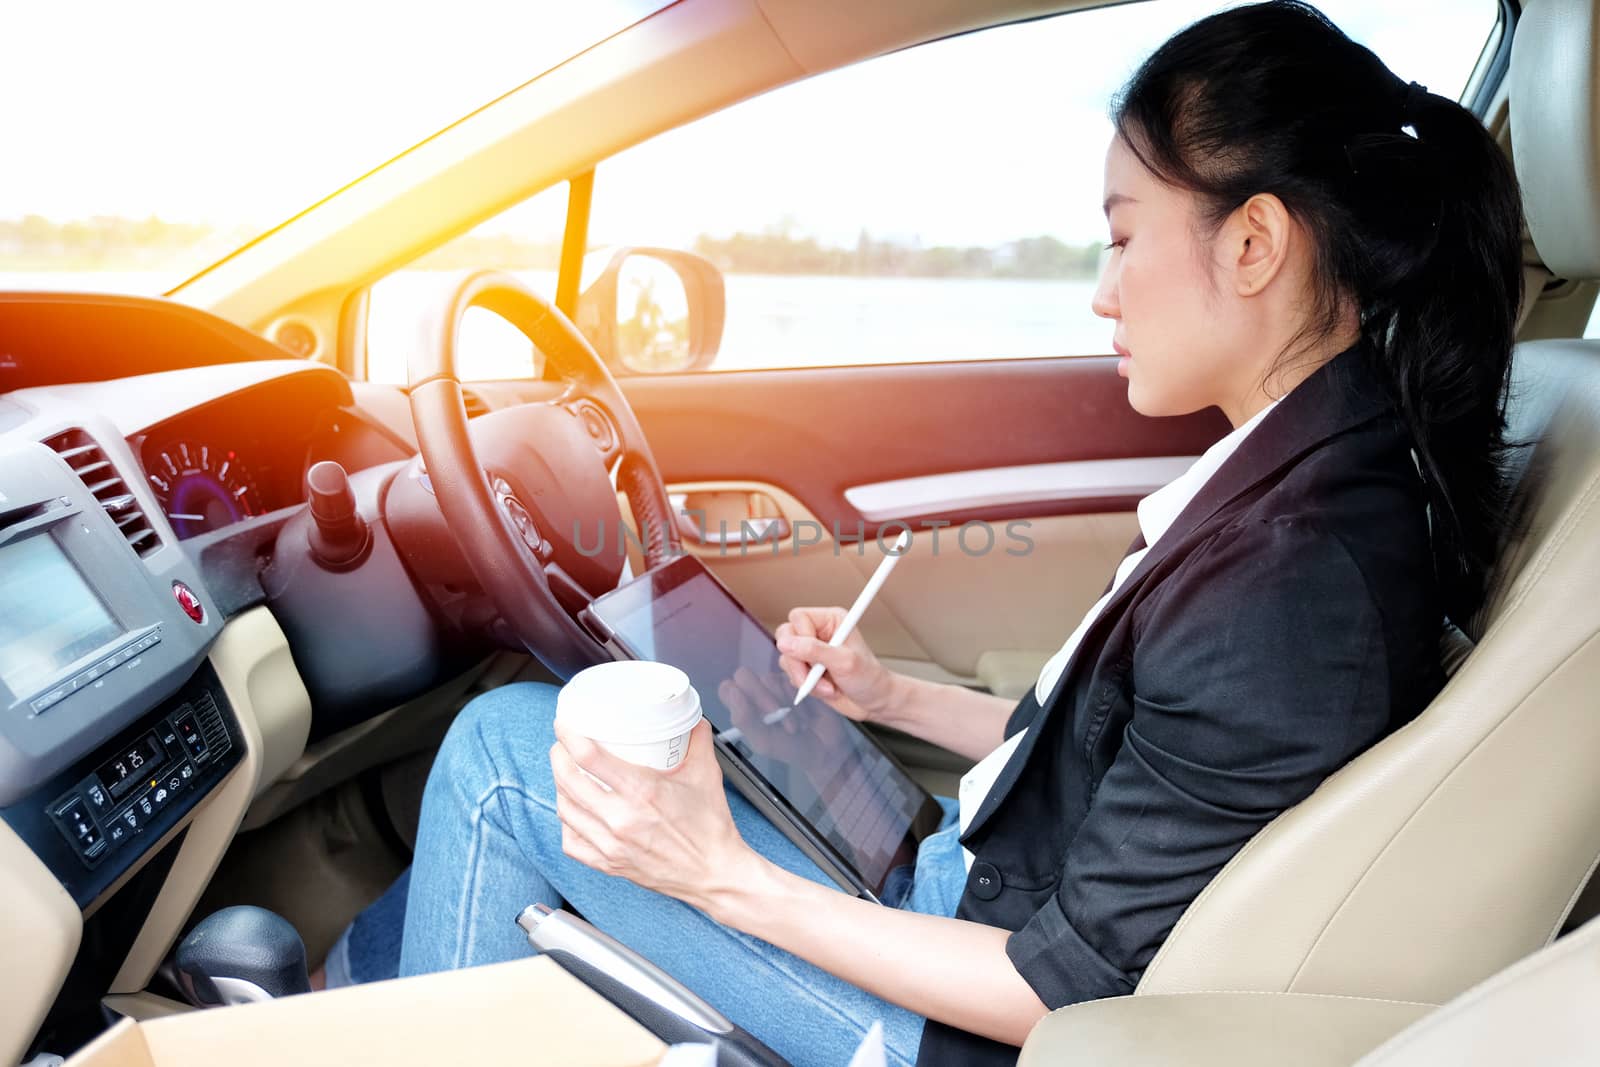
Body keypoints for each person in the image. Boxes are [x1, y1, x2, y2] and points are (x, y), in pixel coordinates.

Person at [319, 4, 1524, 1064]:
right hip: (966, 897)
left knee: (501, 756)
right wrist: (889, 696)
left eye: (1119, 236)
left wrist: (717, 875)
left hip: (958, 1024)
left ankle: (325, 1015)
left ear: (1253, 243)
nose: (1101, 290)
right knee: (568, 760)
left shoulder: (1290, 579)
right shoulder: (1302, 473)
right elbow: (1125, 760)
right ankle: (336, 1006)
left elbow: (1069, 987)